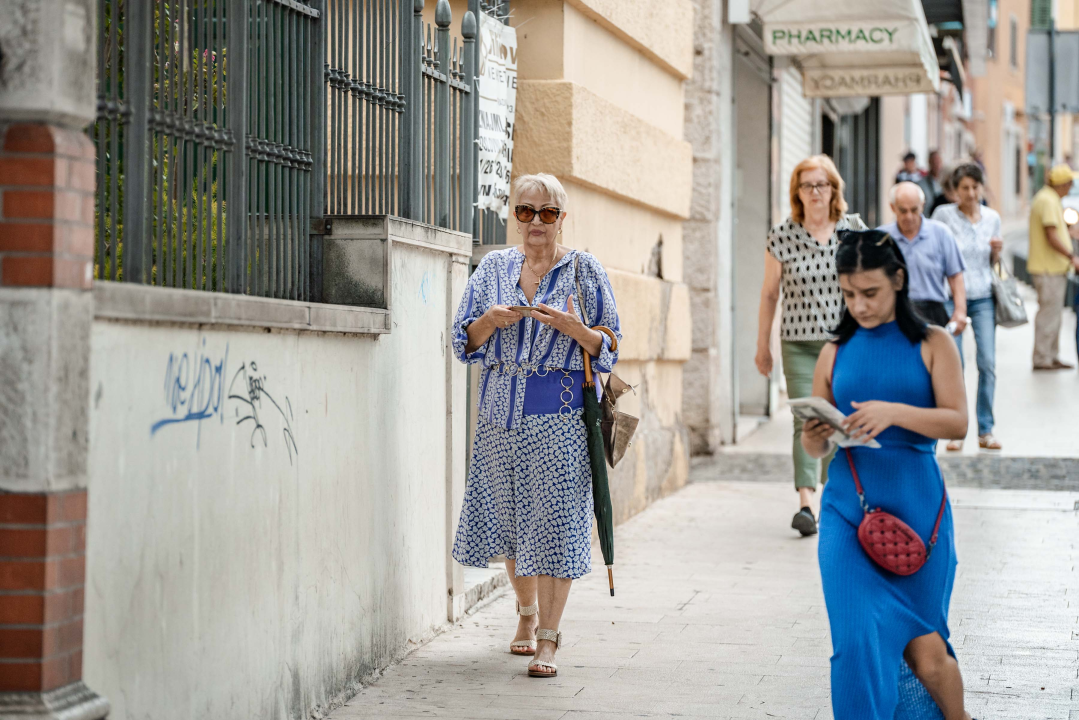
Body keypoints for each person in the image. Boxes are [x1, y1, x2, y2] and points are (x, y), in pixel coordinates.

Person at [450, 173, 621, 678]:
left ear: (561, 219)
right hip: (498, 418)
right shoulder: (493, 268)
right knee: (510, 524)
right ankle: (525, 614)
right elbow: (462, 341)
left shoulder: (584, 269)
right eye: (526, 212)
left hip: (559, 419)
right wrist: (490, 321)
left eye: (547, 213)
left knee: (553, 528)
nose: (536, 222)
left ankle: (548, 638)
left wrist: (575, 329)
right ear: (516, 217)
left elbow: (612, 343)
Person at [803, 229, 971, 720]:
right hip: (847, 511)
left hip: (920, 512)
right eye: (848, 293)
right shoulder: (834, 350)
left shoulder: (934, 342)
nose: (859, 305)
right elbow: (813, 447)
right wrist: (815, 433)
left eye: (870, 292)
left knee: (927, 653)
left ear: (898, 280)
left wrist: (894, 413)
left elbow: (958, 421)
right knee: (854, 643)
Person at [756, 155, 868, 537]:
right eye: (808, 185)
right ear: (797, 192)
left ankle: (829, 493)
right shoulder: (781, 236)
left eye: (822, 184)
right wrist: (763, 345)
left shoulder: (853, 230)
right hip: (799, 345)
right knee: (806, 419)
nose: (815, 192)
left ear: (834, 189)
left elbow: (872, 282)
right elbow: (769, 294)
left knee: (837, 418)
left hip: (845, 344)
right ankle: (807, 503)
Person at [931, 163, 1004, 451]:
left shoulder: (992, 218)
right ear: (955, 190)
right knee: (955, 363)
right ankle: (955, 429)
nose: (971, 193)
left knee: (988, 363)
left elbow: (992, 264)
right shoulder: (943, 216)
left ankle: (986, 429)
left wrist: (996, 253)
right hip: (950, 298)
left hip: (983, 296)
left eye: (975, 187)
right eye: (965, 188)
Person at [880, 182, 968, 334]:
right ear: (892, 207)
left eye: (914, 210)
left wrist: (960, 311)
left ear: (922, 206)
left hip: (932, 312)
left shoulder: (941, 233)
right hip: (895, 312)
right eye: (903, 210)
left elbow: (955, 275)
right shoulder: (882, 237)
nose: (909, 216)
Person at [1027, 164, 1079, 370]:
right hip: (1047, 269)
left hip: (1053, 268)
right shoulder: (1048, 201)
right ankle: (1042, 358)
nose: (1071, 187)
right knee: (1048, 315)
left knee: (1054, 315)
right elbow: (1051, 235)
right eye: (1069, 183)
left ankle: (1051, 355)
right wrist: (1071, 256)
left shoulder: (1049, 198)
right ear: (1063, 184)